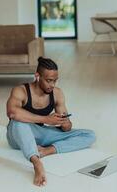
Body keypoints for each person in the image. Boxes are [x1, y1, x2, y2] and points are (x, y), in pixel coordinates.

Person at [6, 57, 96, 187]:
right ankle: (36, 162)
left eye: (55, 81)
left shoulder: (57, 93)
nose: (52, 85)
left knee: (90, 135)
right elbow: (12, 113)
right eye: (49, 81)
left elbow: (67, 127)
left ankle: (45, 151)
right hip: (17, 135)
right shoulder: (21, 91)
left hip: (41, 134)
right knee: (17, 122)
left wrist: (65, 124)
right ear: (37, 76)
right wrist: (46, 119)